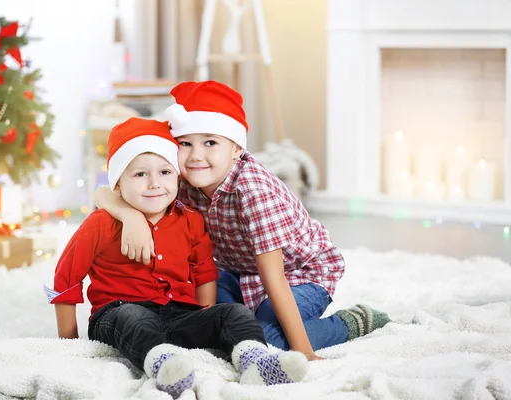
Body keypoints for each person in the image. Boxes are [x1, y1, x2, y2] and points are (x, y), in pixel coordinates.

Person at [94, 81, 391, 362]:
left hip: (297, 274)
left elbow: (273, 277)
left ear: (237, 148)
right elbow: (104, 192)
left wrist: (305, 352)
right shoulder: (182, 179)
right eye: (185, 143)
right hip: (236, 272)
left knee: (267, 337)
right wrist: (130, 216)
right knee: (210, 323)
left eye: (210, 142)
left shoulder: (254, 191)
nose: (196, 156)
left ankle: (350, 322)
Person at [45, 117, 309, 399]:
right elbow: (66, 277)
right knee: (133, 315)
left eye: (165, 172)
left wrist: (204, 316)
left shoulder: (190, 221)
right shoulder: (101, 223)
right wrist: (69, 343)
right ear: (118, 185)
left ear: (178, 177)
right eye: (139, 175)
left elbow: (205, 272)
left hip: (177, 314)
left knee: (235, 312)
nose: (155, 184)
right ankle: (165, 365)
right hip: (117, 314)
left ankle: (257, 361)